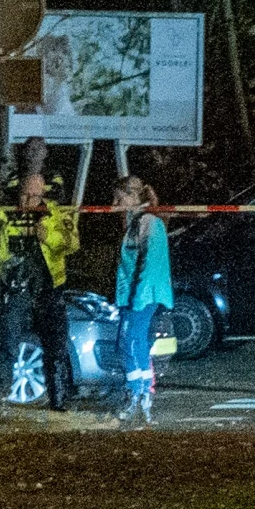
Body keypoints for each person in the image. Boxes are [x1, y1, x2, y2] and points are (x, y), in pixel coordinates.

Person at [0, 166, 81, 406]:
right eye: (24, 194)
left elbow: (72, 244)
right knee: (6, 344)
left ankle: (59, 401)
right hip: (16, 291)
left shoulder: (56, 214)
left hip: (49, 289)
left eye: (34, 195)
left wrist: (48, 238)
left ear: (42, 193)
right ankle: (1, 397)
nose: (28, 200)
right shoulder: (6, 215)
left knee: (56, 348)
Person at [108, 178, 173, 426]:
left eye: (119, 198)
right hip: (134, 295)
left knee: (129, 343)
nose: (115, 204)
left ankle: (136, 392)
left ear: (133, 198)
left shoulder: (148, 222)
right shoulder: (135, 222)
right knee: (133, 343)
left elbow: (152, 264)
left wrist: (138, 298)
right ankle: (142, 392)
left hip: (143, 295)